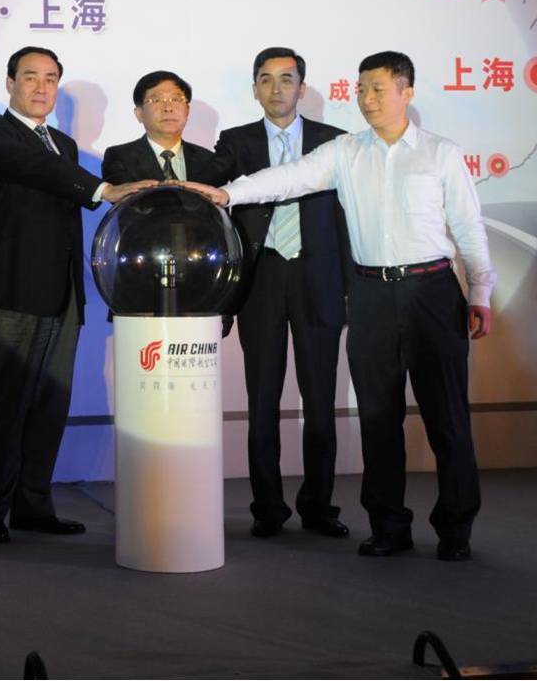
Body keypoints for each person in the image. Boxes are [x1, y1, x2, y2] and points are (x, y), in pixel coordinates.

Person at [184, 51, 494, 562]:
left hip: (432, 292)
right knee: (378, 418)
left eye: (378, 89)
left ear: (407, 93)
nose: (367, 99)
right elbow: (288, 177)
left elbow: (468, 227)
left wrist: (480, 291)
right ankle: (388, 525)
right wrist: (226, 194)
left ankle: (455, 527)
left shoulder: (440, 154)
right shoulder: (345, 151)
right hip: (370, 294)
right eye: (361, 89)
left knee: (447, 418)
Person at [0, 46, 152, 544]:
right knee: (8, 403)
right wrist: (102, 189)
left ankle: (33, 505)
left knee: (50, 406)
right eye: (30, 77)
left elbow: (59, 184)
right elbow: (34, 168)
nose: (41, 87)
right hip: (15, 290)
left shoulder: (65, 145)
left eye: (51, 79)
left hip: (64, 292)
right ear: (10, 83)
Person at [204, 48, 352, 541]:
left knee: (321, 400)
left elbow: (349, 219)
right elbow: (210, 186)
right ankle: (267, 507)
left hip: (319, 277)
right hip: (262, 279)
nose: (276, 89)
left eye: (286, 79)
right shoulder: (236, 142)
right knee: (262, 399)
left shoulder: (336, 141)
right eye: (265, 79)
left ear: (302, 88)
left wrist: (350, 286)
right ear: (254, 89)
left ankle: (319, 506)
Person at [102, 70, 214, 186]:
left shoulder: (208, 159)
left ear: (188, 111)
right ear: (139, 114)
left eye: (176, 99)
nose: (168, 108)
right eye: (156, 100)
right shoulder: (120, 157)